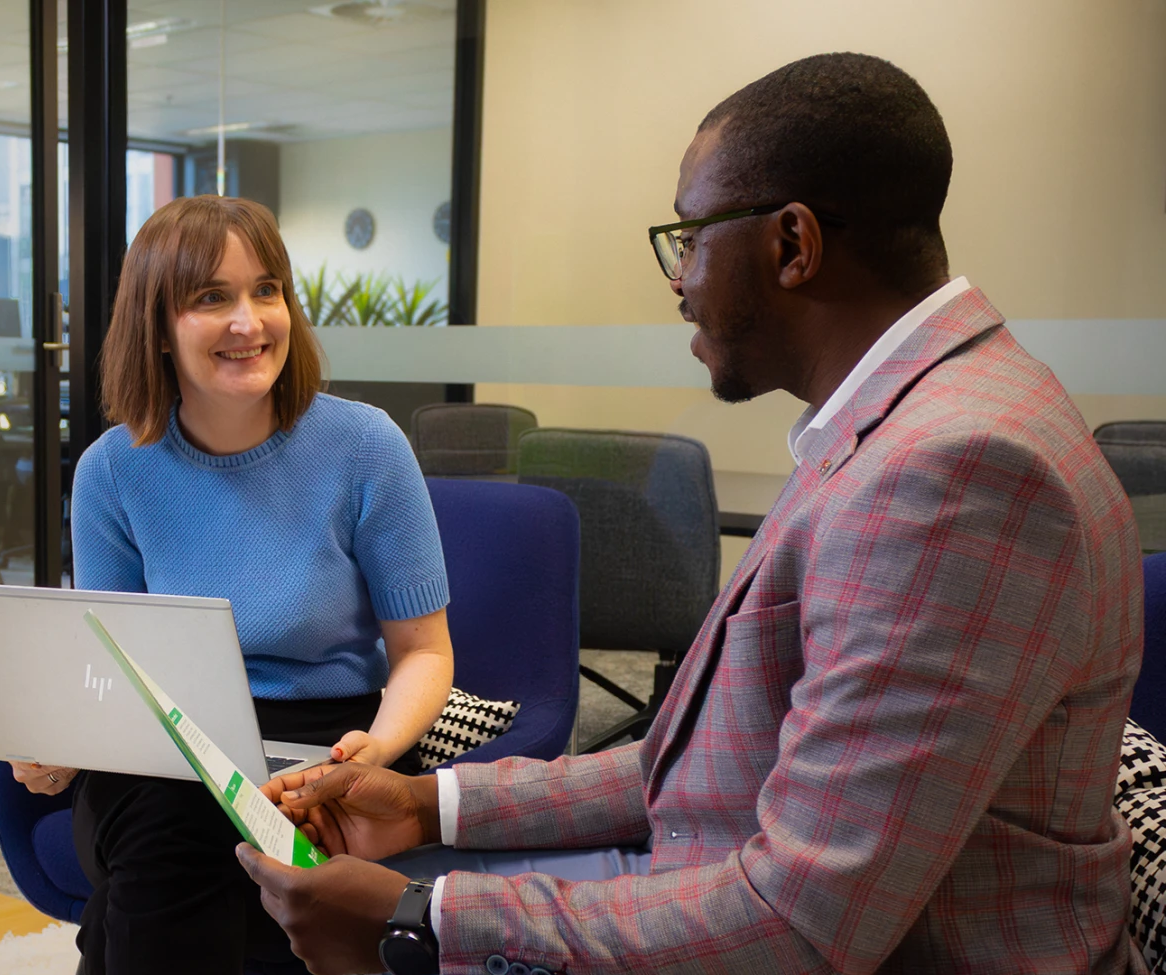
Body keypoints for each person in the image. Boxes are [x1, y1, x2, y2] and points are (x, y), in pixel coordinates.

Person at [235, 52, 1150, 975]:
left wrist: (425, 921)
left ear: (792, 245)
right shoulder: (902, 420)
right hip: (717, 877)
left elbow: (796, 926)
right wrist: (426, 805)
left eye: (691, 239)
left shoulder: (953, 470)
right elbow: (697, 759)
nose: (678, 282)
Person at [11, 195, 455, 975]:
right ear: (157, 326)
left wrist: (379, 750)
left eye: (266, 290)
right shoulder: (112, 470)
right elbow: (112, 667)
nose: (249, 322)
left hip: (330, 739)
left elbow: (424, 651)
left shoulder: (365, 447)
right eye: (211, 297)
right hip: (169, 744)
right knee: (176, 811)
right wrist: (62, 744)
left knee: (154, 869)